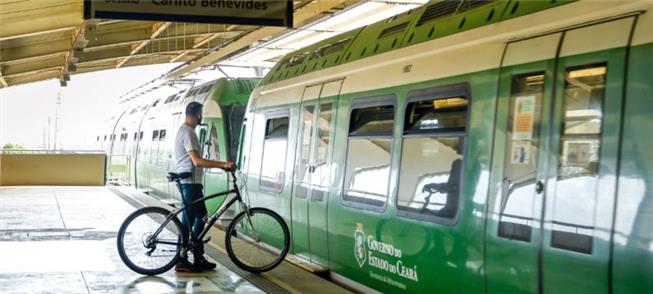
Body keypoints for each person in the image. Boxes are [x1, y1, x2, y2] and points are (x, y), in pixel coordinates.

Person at [174, 101, 235, 272]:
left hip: (190, 183)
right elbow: (197, 162)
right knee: (193, 219)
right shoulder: (189, 133)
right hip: (190, 184)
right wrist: (223, 164)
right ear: (198, 114)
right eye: (201, 114)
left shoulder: (184, 130)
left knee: (197, 217)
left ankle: (195, 256)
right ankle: (184, 258)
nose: (202, 117)